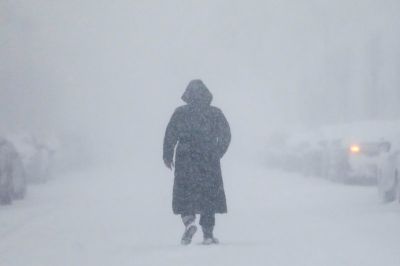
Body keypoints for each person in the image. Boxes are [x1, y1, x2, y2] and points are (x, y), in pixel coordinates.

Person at [163, 79, 231, 245]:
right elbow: (226, 134)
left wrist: (167, 155)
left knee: (185, 192)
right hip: (208, 157)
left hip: (185, 157)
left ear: (188, 95)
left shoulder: (180, 113)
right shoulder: (215, 113)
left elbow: (170, 134)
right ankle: (208, 234)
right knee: (208, 195)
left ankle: (189, 222)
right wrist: (217, 151)